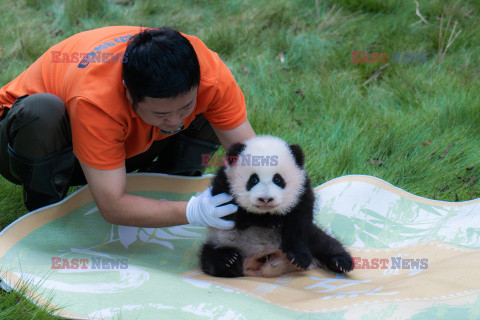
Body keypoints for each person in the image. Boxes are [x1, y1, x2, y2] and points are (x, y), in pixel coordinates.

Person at [0, 26, 255, 230]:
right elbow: (112, 207)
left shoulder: (209, 72)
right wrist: (193, 212)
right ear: (128, 90)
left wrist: (282, 202)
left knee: (210, 112)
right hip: (26, 141)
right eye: (162, 113)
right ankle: (46, 217)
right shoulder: (97, 98)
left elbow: (253, 157)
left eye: (186, 107)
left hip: (120, 140)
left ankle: (166, 189)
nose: (177, 122)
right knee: (43, 111)